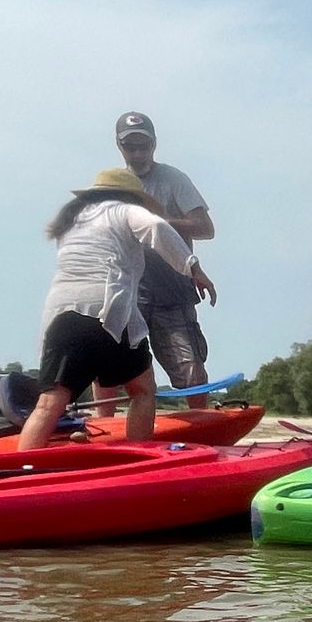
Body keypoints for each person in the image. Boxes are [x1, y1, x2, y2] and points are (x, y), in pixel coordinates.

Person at [19, 168, 217, 450]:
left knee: (48, 405)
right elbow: (158, 228)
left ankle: (23, 473)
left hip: (61, 317)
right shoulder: (123, 210)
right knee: (143, 391)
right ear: (129, 197)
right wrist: (193, 268)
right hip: (106, 312)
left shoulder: (73, 220)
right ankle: (139, 460)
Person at [113, 111, 215, 407]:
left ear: (154, 144)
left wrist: (159, 222)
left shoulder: (173, 179)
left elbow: (205, 228)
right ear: (119, 147)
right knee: (107, 362)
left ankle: (202, 427)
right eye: (130, 146)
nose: (137, 153)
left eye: (143, 145)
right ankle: (103, 428)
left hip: (172, 288)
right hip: (128, 290)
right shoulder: (113, 184)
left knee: (190, 367)